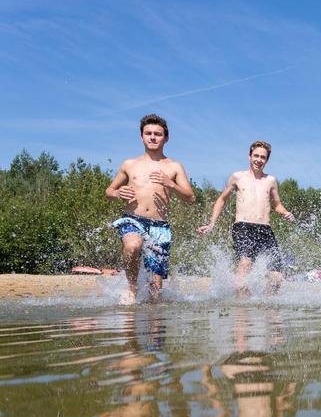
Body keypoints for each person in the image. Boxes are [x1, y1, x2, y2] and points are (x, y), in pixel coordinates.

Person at [105, 114, 196, 304]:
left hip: (159, 227)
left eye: (157, 134)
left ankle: (153, 314)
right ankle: (132, 288)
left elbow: (190, 198)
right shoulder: (129, 164)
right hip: (132, 219)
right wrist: (118, 193)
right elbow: (109, 191)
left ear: (166, 138)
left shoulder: (174, 166)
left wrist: (171, 184)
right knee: (132, 246)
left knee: (155, 293)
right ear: (141, 137)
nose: (153, 137)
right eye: (148, 133)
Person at [197, 140, 295, 294]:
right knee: (245, 264)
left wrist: (285, 212)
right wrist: (211, 224)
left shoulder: (271, 181)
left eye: (263, 157)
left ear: (267, 160)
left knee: (276, 277)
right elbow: (222, 199)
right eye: (256, 156)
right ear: (249, 156)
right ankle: (241, 306)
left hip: (265, 229)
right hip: (243, 227)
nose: (259, 160)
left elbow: (277, 204)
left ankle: (265, 304)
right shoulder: (238, 177)